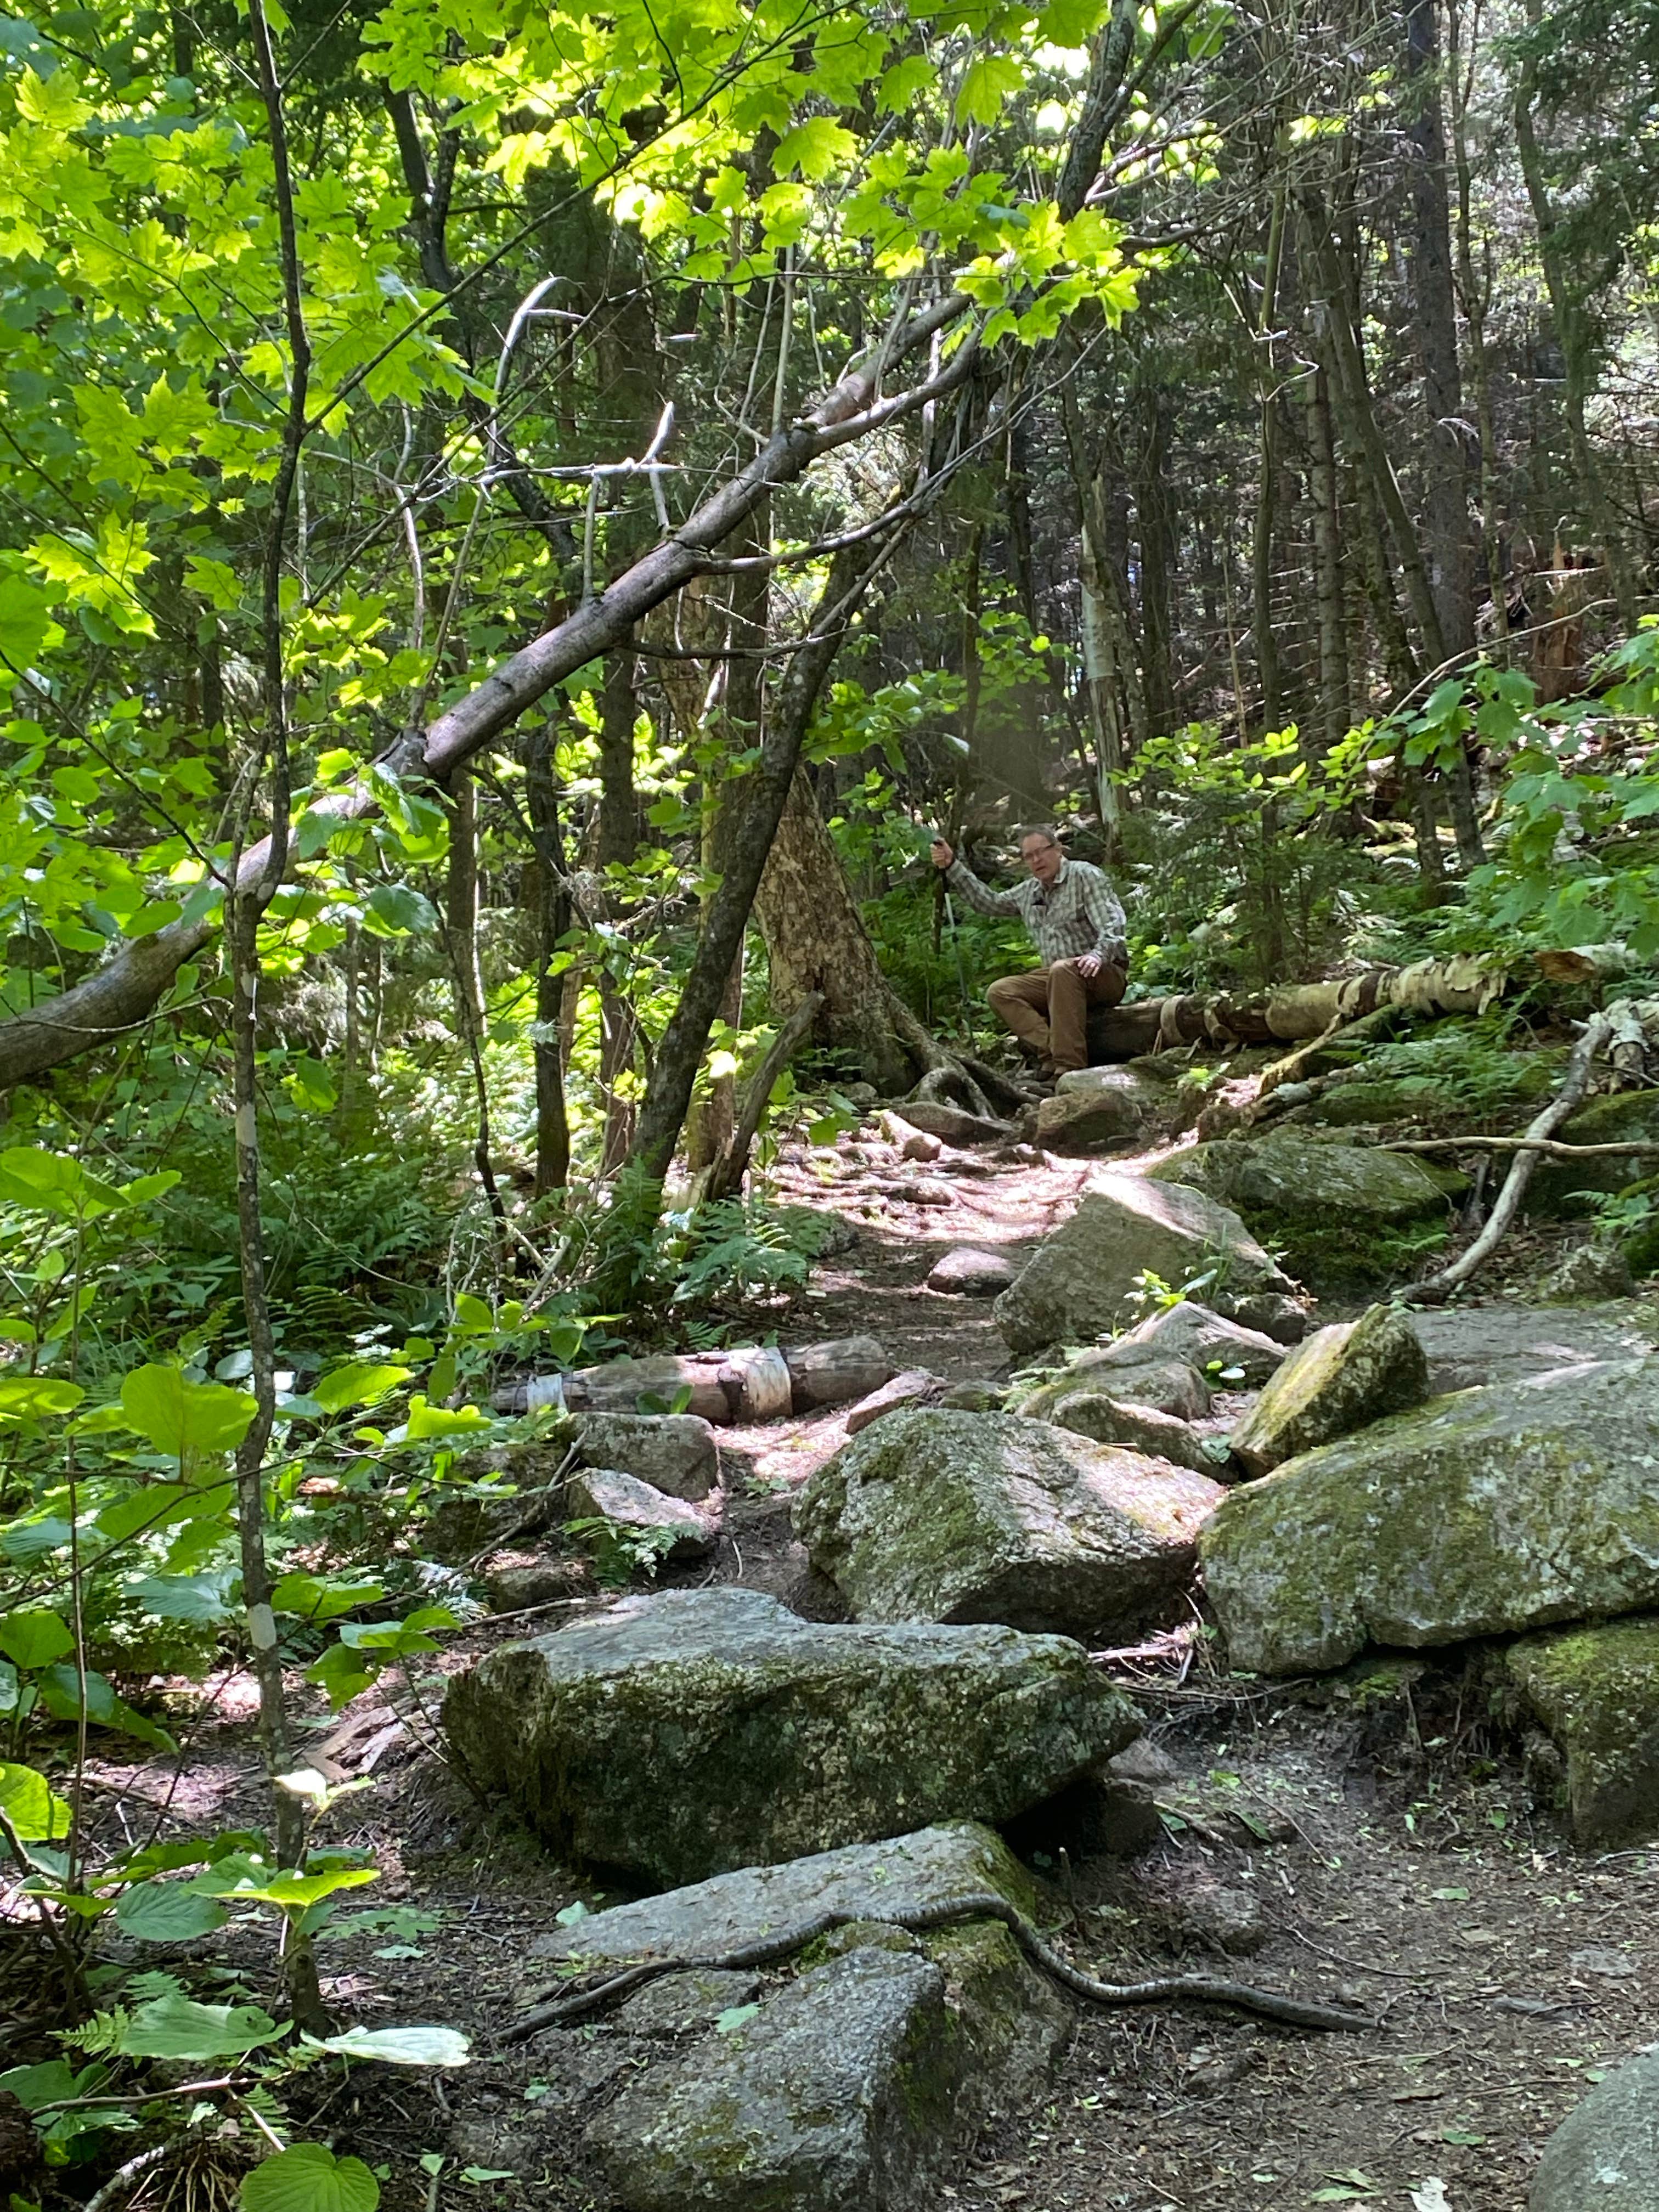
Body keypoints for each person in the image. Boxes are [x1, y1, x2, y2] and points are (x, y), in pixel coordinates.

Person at [930, 825, 1127, 1082]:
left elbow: (1113, 923)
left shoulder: (1084, 875)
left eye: (1041, 852)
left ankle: (1069, 1070)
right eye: (1029, 856)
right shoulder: (1029, 891)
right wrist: (952, 866)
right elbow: (989, 903)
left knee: (1062, 970)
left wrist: (1097, 955)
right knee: (1000, 992)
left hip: (1102, 973)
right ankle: (1050, 1053)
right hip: (1058, 980)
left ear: (1058, 849)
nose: (1036, 860)